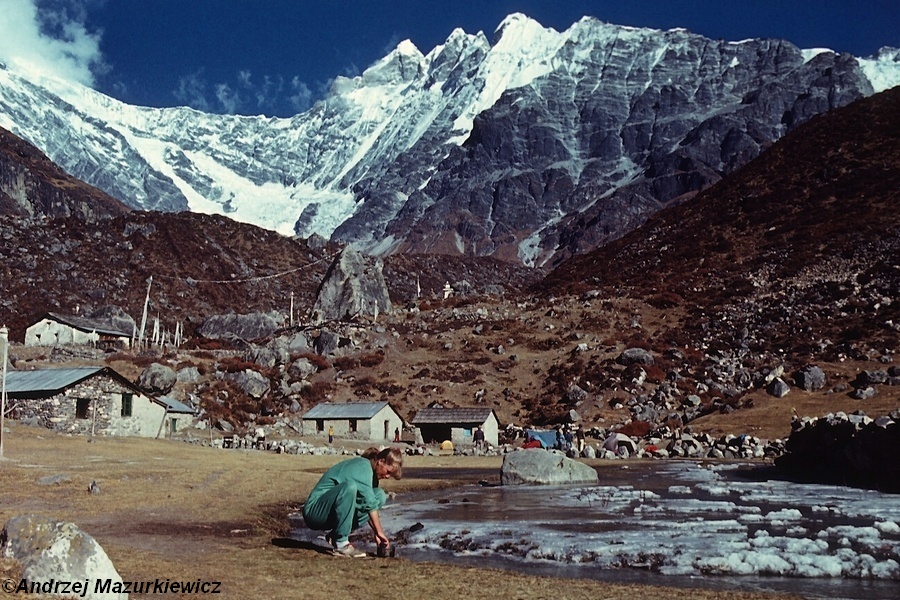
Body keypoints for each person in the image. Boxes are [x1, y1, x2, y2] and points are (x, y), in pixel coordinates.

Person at [302, 447, 403, 558]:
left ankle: (335, 536)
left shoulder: (372, 477)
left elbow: (368, 505)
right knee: (349, 487)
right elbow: (369, 503)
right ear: (381, 461)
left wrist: (377, 534)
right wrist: (380, 532)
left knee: (379, 495)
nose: (387, 476)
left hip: (330, 513)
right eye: (388, 472)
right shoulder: (363, 466)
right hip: (314, 512)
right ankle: (341, 544)